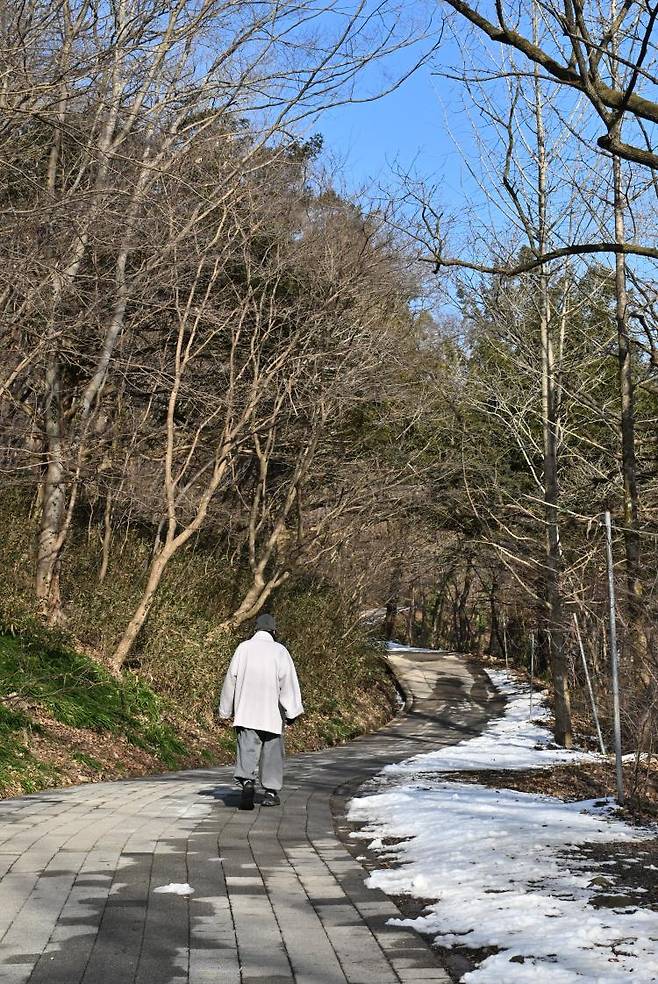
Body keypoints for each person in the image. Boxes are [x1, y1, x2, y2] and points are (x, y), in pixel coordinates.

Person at [218, 613, 303, 810]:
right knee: (272, 754)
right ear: (274, 631)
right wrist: (292, 712)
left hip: (246, 712)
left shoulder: (243, 648)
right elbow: (287, 683)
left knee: (247, 750)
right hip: (271, 715)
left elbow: (231, 680)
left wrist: (225, 710)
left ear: (255, 629)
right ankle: (271, 792)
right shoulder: (280, 651)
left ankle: (247, 782)